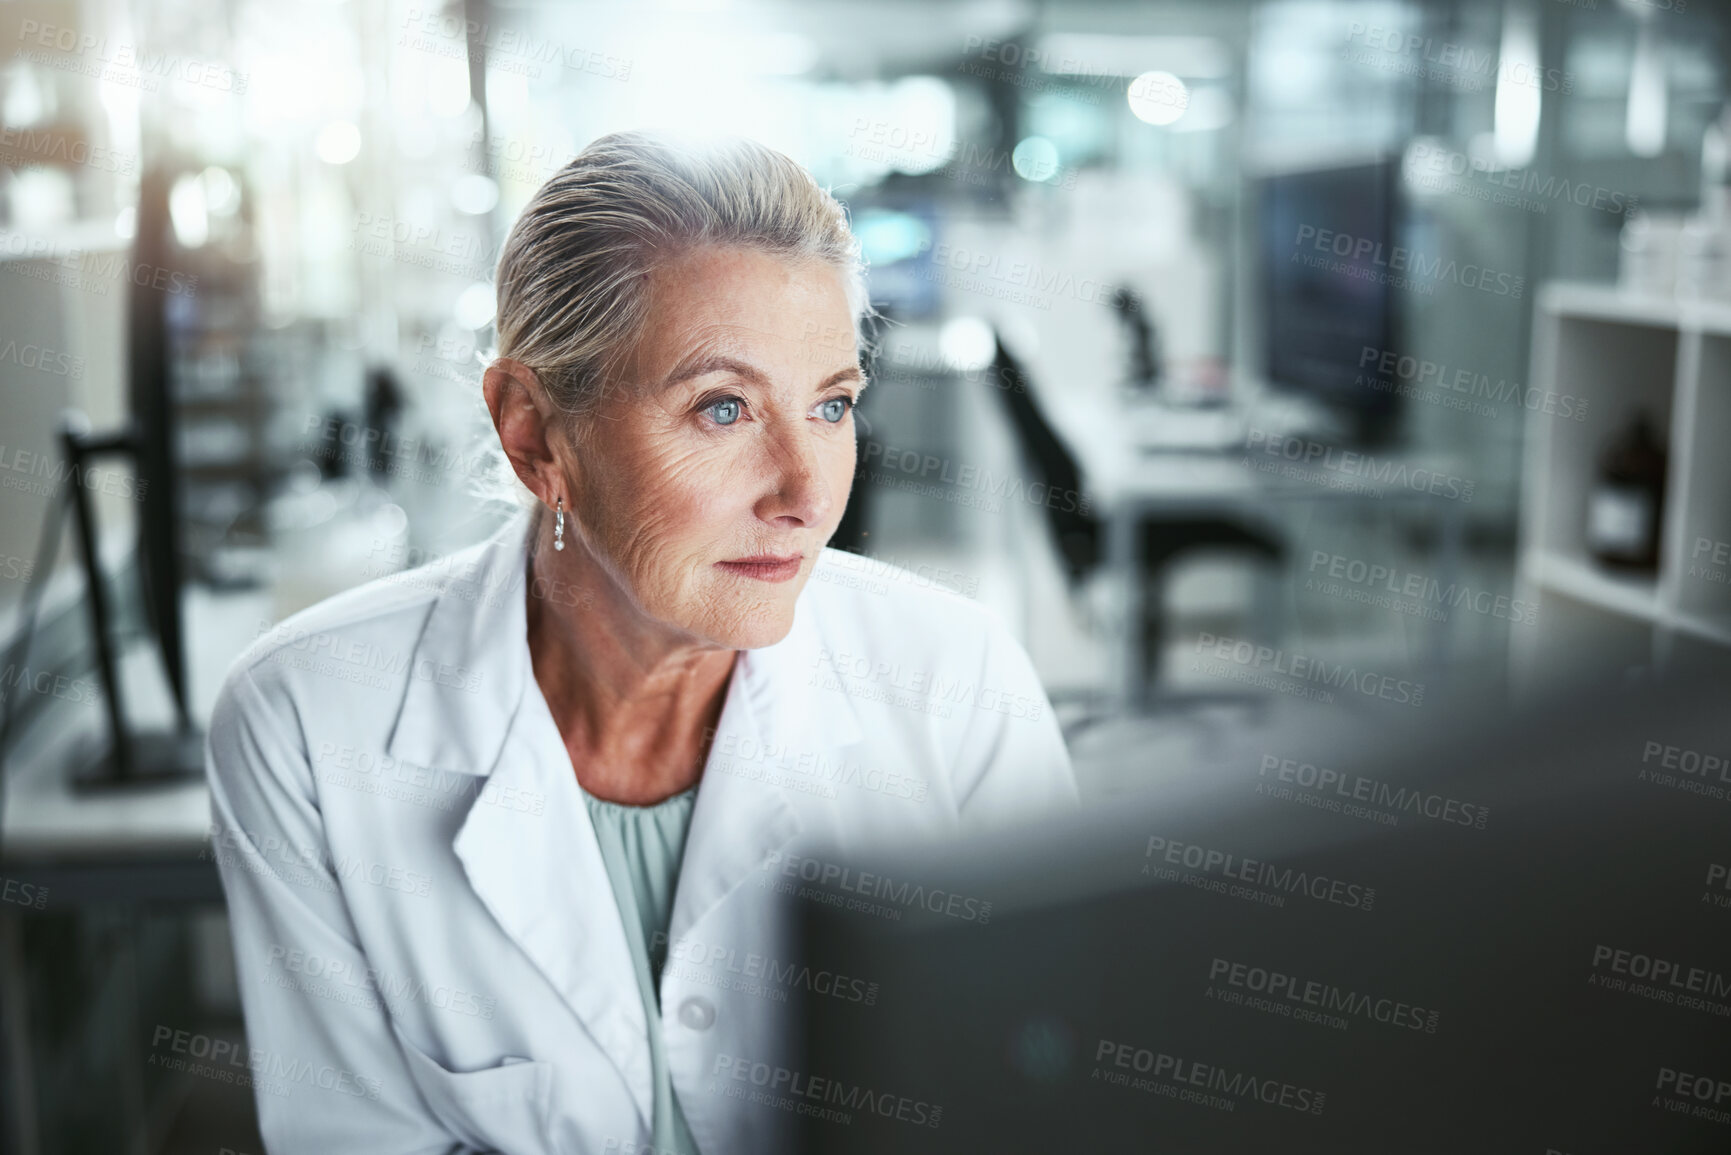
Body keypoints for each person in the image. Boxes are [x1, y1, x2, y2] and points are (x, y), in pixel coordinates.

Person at [206, 130, 1078, 1155]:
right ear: (535, 434)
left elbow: (1040, 1109)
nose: (806, 493)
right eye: (723, 408)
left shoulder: (955, 679)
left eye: (832, 405)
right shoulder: (308, 719)